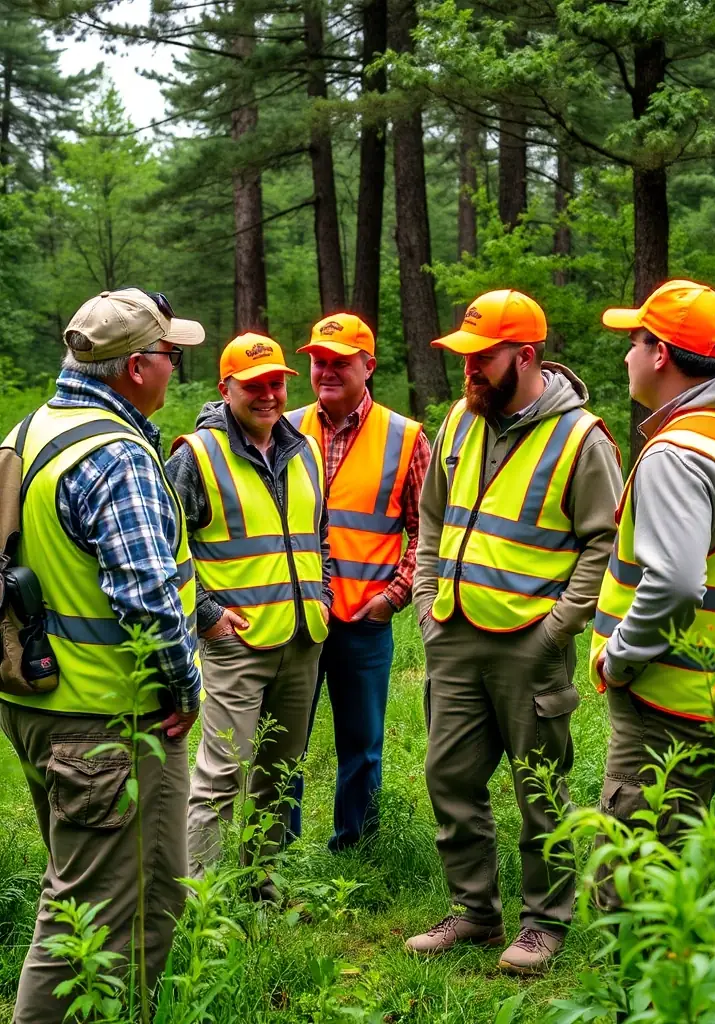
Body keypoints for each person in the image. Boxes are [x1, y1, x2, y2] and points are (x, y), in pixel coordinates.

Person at [0, 288, 204, 1024]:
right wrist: (184, 691)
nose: (176, 369)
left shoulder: (30, 433)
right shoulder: (116, 455)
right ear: (137, 366)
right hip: (110, 723)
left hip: (34, 703)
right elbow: (147, 594)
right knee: (87, 916)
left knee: (106, 893)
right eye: (172, 356)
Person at [408, 289, 623, 973]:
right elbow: (432, 517)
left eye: (481, 357)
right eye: (464, 356)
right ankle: (473, 912)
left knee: (539, 787)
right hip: (454, 634)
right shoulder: (458, 420)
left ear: (524, 357)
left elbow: (605, 541)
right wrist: (425, 598)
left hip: (531, 645)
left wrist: (558, 629)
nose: (468, 369)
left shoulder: (581, 438)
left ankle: (543, 925)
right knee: (450, 778)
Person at [591, 279, 715, 906]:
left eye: (633, 343)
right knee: (685, 872)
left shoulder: (679, 452)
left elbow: (674, 581)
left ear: (661, 353)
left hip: (672, 700)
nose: (626, 357)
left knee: (634, 884)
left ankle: (636, 998)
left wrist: (620, 656)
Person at [166, 334, 332, 880]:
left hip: (303, 638)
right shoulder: (196, 455)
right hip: (236, 647)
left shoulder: (304, 448)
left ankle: (264, 887)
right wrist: (207, 614)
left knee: (279, 776)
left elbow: (318, 537)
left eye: (276, 383)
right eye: (253, 385)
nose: (267, 395)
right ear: (226, 389)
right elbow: (166, 550)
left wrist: (323, 596)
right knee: (219, 779)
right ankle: (199, 907)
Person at [286, 312, 429, 851]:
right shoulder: (284, 426)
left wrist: (392, 597)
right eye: (319, 361)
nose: (326, 371)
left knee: (362, 744)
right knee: (284, 743)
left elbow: (425, 531)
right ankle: (277, 850)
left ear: (368, 366)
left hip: (363, 622)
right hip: (297, 616)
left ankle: (357, 847)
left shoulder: (406, 437)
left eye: (340, 362)